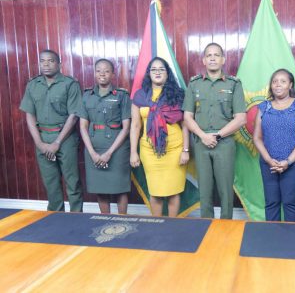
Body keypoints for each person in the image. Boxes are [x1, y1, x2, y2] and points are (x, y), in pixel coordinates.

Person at [183, 43, 246, 219]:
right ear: (203, 60)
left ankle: (225, 227)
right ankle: (206, 227)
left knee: (225, 190)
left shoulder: (234, 84)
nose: (212, 58)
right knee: (204, 189)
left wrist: (217, 136)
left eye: (216, 55)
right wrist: (203, 136)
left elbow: (241, 118)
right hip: (201, 143)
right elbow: (187, 117)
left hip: (224, 143)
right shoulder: (194, 84)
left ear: (223, 60)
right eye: (209, 55)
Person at [19, 49, 83, 212]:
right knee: (51, 183)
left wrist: (57, 142)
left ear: (59, 64)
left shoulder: (70, 84)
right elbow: (30, 115)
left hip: (65, 138)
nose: (46, 64)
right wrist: (39, 143)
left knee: (72, 182)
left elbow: (73, 116)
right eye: (42, 61)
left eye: (50, 61)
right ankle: (55, 220)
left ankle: (77, 219)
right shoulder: (33, 85)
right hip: (42, 137)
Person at [130, 57, 189, 217]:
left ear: (167, 73)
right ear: (149, 73)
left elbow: (185, 124)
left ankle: (173, 226)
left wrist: (185, 150)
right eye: (153, 69)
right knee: (155, 191)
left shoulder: (178, 94)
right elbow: (135, 125)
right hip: (149, 151)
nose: (157, 72)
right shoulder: (140, 96)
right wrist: (133, 152)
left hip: (175, 150)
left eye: (161, 69)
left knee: (173, 191)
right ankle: (158, 226)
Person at [253, 69, 295, 222]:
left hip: (294, 164)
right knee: (271, 203)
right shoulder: (263, 107)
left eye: (283, 81)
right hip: (269, 164)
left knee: (290, 203)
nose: (278, 84)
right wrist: (268, 159)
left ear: (290, 85)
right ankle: (272, 240)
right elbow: (257, 138)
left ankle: (290, 242)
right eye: (274, 81)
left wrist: (288, 161)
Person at [77, 59, 131, 214]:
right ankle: (105, 220)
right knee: (100, 187)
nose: (102, 74)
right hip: (93, 147)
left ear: (113, 74)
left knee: (120, 188)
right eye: (99, 70)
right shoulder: (87, 96)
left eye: (106, 71)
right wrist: (93, 153)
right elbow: (83, 126)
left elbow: (126, 127)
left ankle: (123, 222)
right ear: (94, 73)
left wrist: (109, 153)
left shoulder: (121, 95)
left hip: (117, 148)